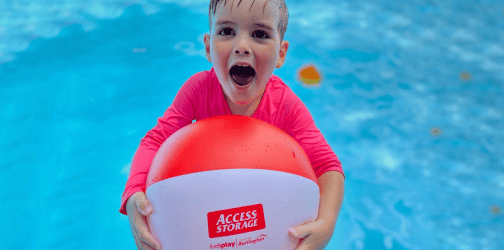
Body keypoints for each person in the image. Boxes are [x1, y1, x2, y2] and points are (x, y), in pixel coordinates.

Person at [120, 0, 345, 249]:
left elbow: (327, 165)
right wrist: (133, 192)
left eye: (260, 34)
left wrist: (326, 224)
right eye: (227, 31)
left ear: (280, 54)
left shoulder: (285, 105)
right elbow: (156, 140)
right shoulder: (197, 91)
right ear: (208, 47)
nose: (242, 46)